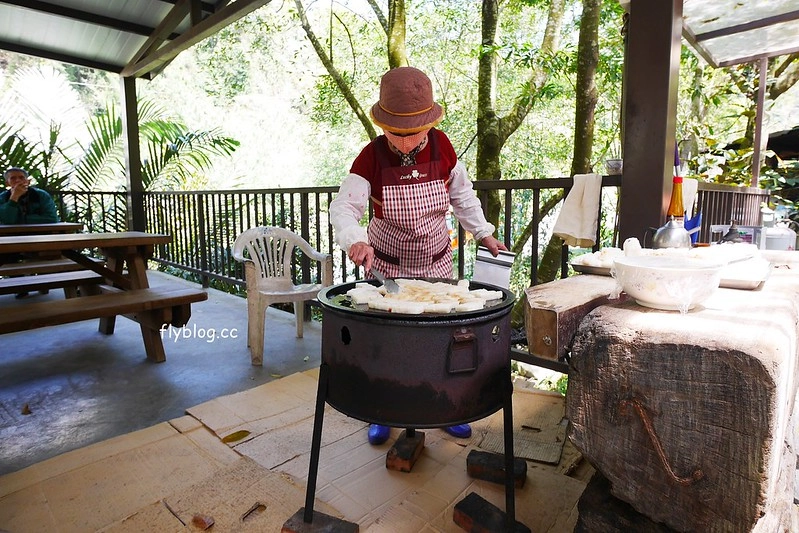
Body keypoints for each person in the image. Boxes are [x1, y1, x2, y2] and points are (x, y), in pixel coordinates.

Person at [329, 66, 508, 445]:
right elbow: (344, 209)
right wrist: (354, 240)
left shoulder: (443, 148)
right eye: (398, 134)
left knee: (441, 342)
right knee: (387, 345)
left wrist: (485, 233)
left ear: (429, 124)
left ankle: (445, 406)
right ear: (381, 125)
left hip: (437, 265)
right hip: (387, 271)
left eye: (415, 134)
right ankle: (384, 409)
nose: (408, 144)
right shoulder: (370, 158)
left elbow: (462, 198)